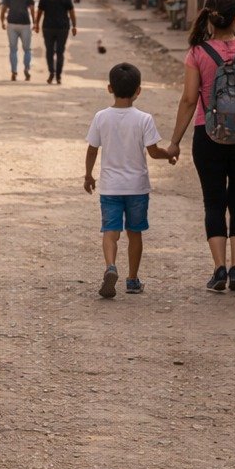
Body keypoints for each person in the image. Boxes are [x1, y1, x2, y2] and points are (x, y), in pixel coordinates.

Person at [163, 0, 235, 293]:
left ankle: (219, 268)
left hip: (208, 137)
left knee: (213, 202)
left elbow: (189, 99)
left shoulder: (197, 53)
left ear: (209, 19)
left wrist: (175, 142)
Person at [85, 62, 168, 297]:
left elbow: (92, 149)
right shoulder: (144, 119)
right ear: (138, 90)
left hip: (110, 187)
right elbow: (154, 152)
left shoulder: (101, 117)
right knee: (134, 233)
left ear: (109, 88)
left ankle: (111, 266)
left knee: (110, 231)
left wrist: (89, 175)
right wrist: (170, 155)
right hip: (137, 188)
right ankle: (132, 280)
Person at [34, 0, 78, 84]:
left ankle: (56, 74)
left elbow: (71, 12)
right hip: (54, 28)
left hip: (55, 28)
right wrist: (36, 24)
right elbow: (40, 11)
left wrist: (74, 26)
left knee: (55, 52)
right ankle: (54, 74)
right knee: (54, 52)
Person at [0, 0, 36, 82]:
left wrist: (2, 21)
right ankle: (27, 69)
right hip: (25, 23)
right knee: (27, 49)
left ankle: (14, 71)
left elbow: (4, 9)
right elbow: (32, 9)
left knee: (13, 49)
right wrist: (34, 22)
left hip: (12, 23)